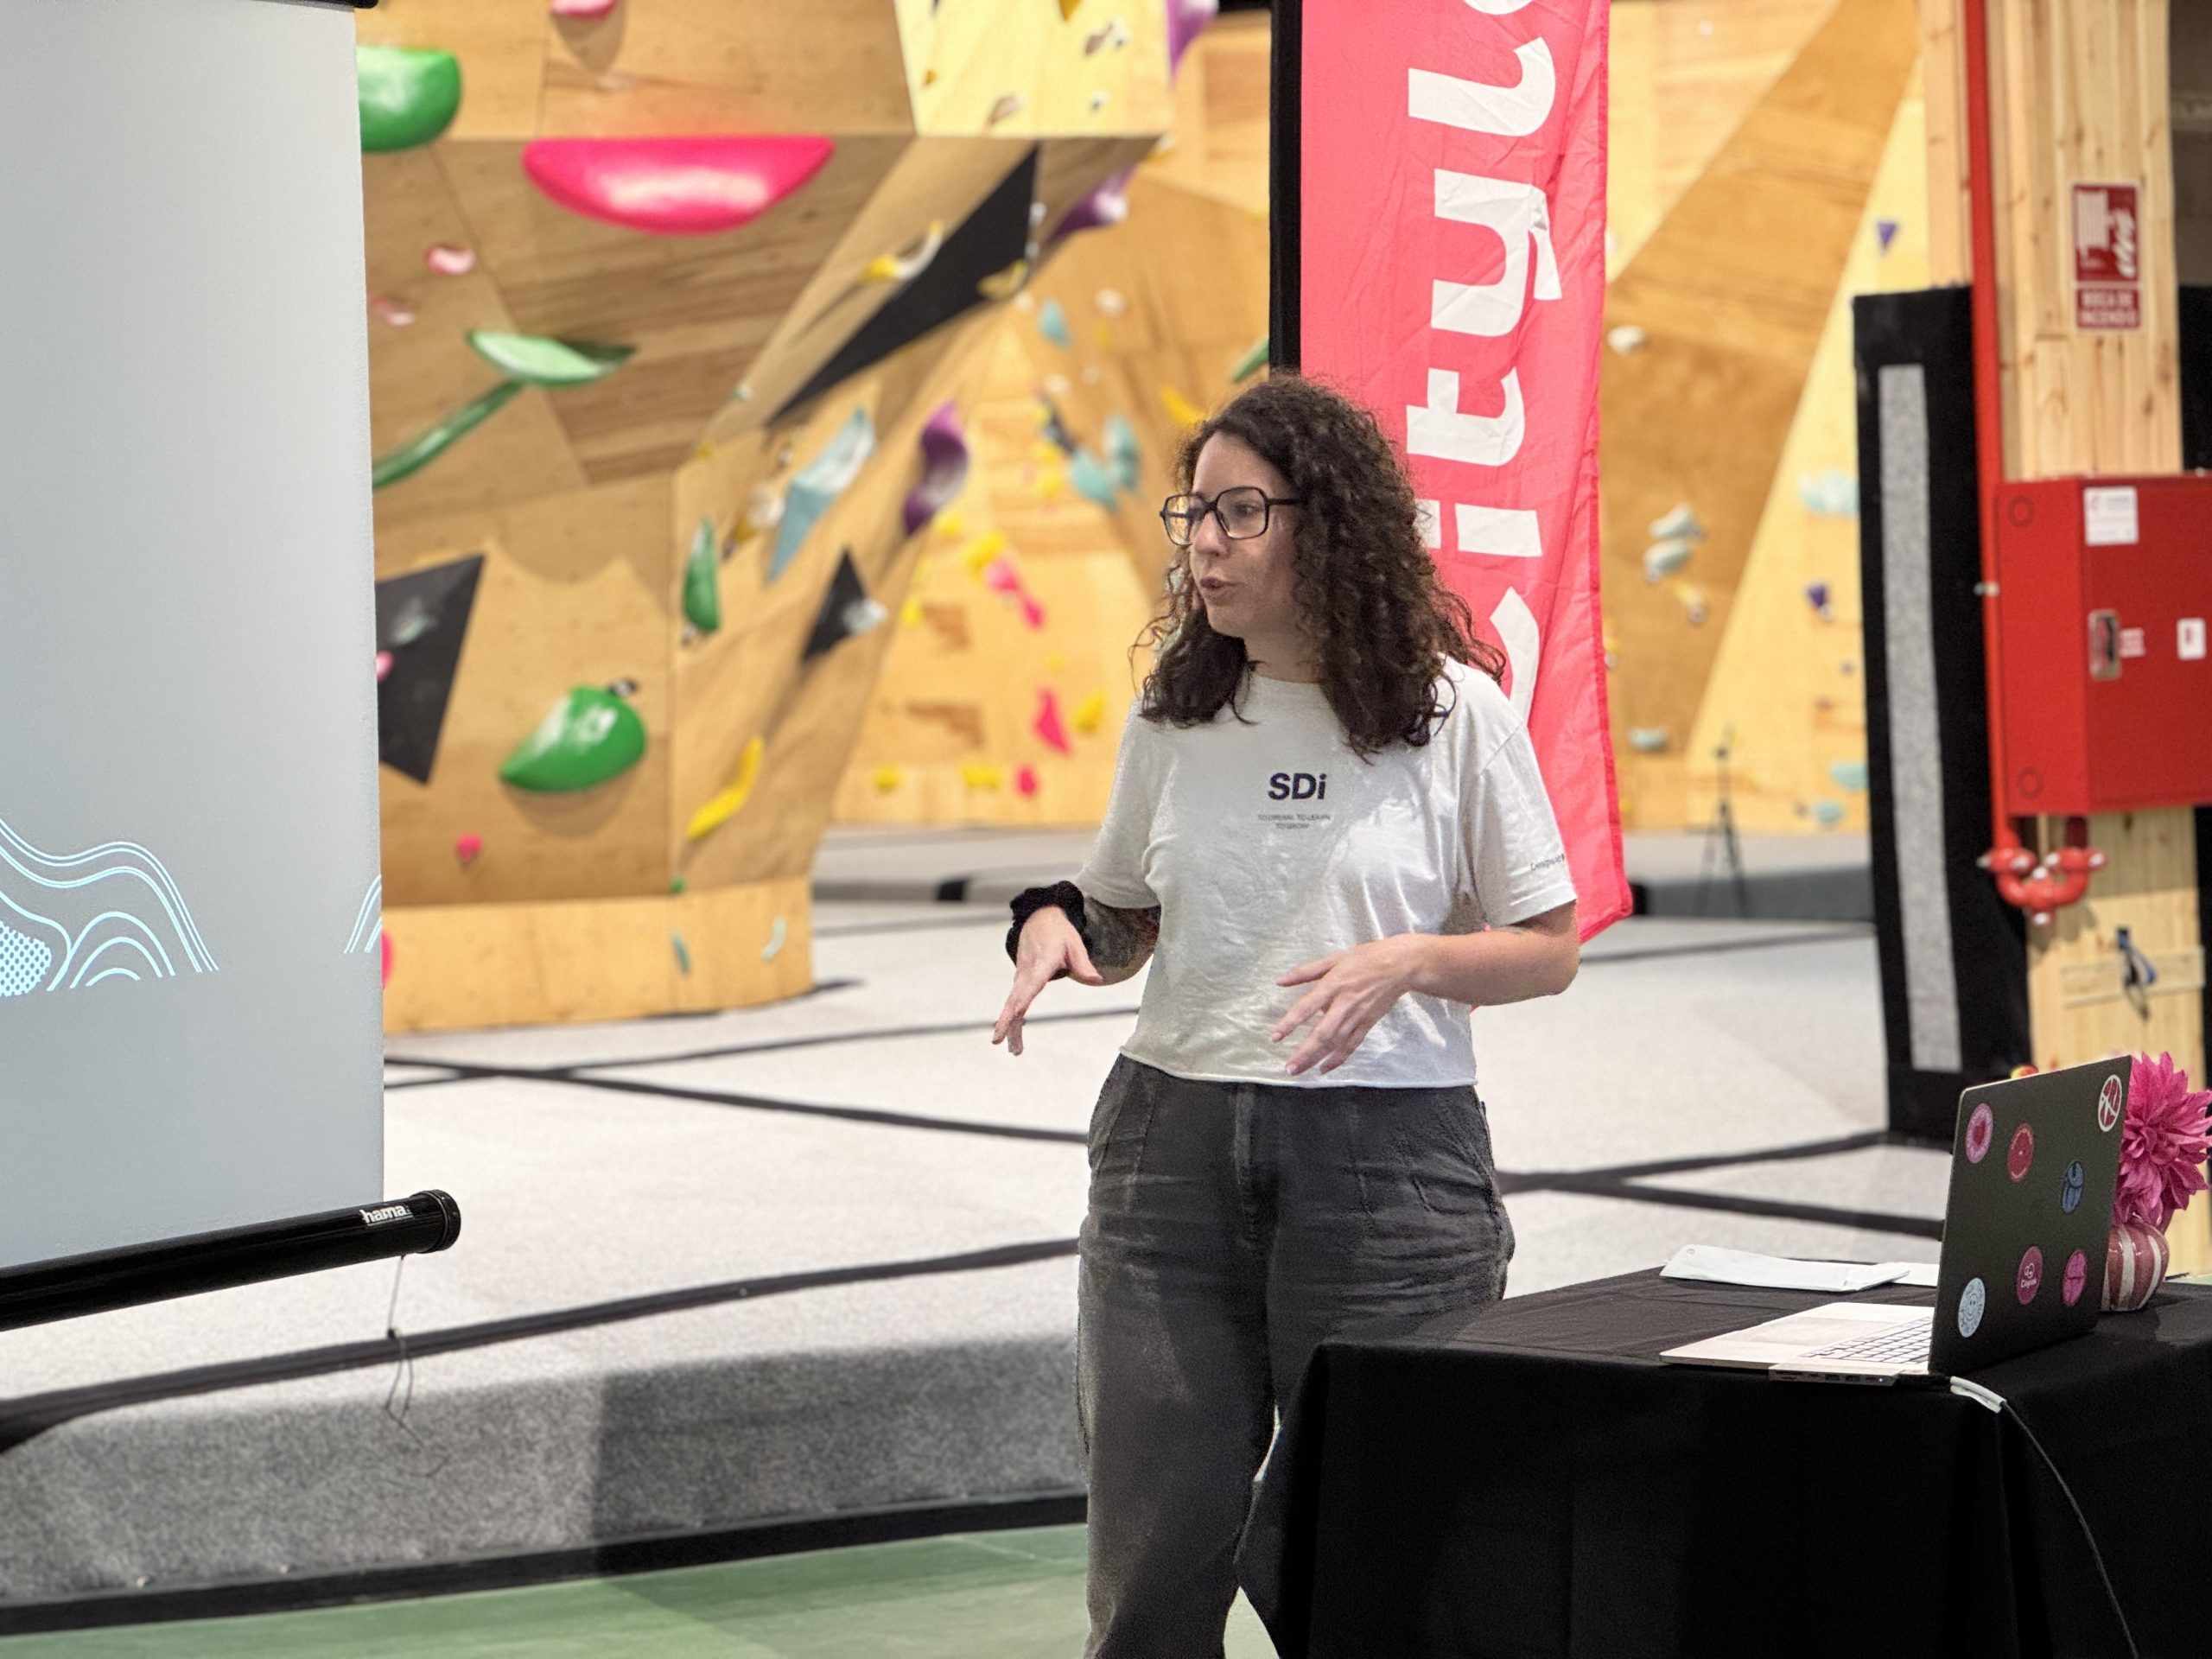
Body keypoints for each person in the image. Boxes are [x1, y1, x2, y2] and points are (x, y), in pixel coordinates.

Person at [991, 373, 1581, 1657]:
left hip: (1391, 1178)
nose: (1203, 542)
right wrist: (1057, 926)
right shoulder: (1177, 716)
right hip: (1170, 1163)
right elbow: (1123, 906)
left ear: (1330, 526)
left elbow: (1548, 951)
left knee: (1379, 1571)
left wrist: (1410, 961)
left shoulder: (1451, 715)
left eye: (1239, 512)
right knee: (1151, 1581)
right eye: (1191, 513)